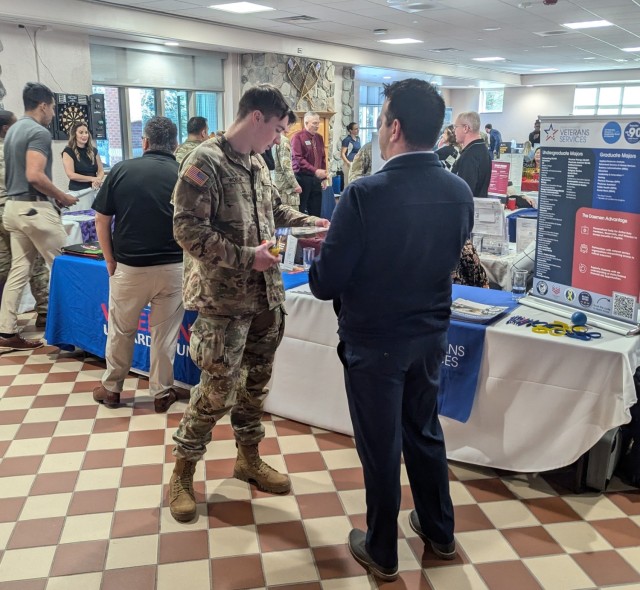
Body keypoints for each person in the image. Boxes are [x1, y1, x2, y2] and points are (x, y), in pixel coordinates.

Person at [309, 78, 473, 581]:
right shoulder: (458, 190)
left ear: (395, 127)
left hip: (375, 342)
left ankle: (382, 548)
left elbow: (326, 282)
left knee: (380, 445)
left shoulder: (364, 194)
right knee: (424, 430)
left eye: (381, 121)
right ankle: (439, 530)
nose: (379, 130)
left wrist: (324, 253)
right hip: (430, 335)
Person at [168, 84, 330, 523]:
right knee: (215, 392)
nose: (280, 138)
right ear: (256, 117)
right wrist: (245, 258)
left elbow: (276, 210)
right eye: (277, 129)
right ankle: (182, 473)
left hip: (264, 298)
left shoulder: (257, 161)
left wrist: (318, 222)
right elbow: (186, 230)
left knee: (255, 387)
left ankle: (248, 459)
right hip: (223, 304)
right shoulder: (204, 162)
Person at [91, 116, 184, 413]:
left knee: (121, 329)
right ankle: (161, 392)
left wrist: (109, 259)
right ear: (176, 145)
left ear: (144, 142)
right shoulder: (186, 173)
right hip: (174, 267)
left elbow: (102, 218)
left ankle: (112, 388)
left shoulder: (121, 170)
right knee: (164, 335)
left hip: (129, 267)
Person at [0, 83, 78, 352]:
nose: (54, 113)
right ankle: (75, 330)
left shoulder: (12, 132)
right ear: (43, 105)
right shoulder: (37, 131)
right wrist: (62, 196)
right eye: (53, 108)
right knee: (68, 267)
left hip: (13, 209)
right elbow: (34, 175)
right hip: (34, 209)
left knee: (19, 271)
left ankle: (7, 331)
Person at [0, 110, 49, 329]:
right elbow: (32, 178)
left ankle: (5, 320)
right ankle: (45, 312)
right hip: (15, 208)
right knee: (34, 262)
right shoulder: (12, 151)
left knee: (3, 268)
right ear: (7, 129)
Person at [291, 111, 327, 216]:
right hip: (302, 178)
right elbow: (298, 158)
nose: (317, 126)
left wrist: (323, 177)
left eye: (318, 123)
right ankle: (301, 232)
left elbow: (323, 158)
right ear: (306, 123)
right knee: (301, 210)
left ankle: (315, 232)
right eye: (314, 123)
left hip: (316, 179)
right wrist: (315, 170)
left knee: (316, 210)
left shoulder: (319, 138)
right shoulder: (297, 137)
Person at [452, 111, 491, 198]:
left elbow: (463, 193)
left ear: (466, 128)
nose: (454, 131)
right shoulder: (483, 149)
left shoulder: (469, 156)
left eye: (456, 127)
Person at [61, 121, 104, 191]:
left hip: (94, 188)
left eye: (86, 132)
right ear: (74, 134)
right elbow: (71, 175)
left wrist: (98, 180)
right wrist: (92, 179)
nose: (84, 135)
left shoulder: (94, 151)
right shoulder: (68, 151)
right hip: (78, 191)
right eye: (81, 132)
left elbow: (101, 170)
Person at [274, 111, 302, 209]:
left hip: (278, 183)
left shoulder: (274, 138)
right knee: (292, 217)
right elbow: (286, 166)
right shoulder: (284, 140)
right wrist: (296, 185)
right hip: (286, 188)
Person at [340, 121, 360, 187]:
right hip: (348, 164)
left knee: (355, 182)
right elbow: (342, 154)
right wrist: (348, 162)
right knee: (348, 182)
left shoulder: (358, 139)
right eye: (356, 129)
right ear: (351, 130)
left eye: (358, 128)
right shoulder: (347, 140)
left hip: (356, 163)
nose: (358, 130)